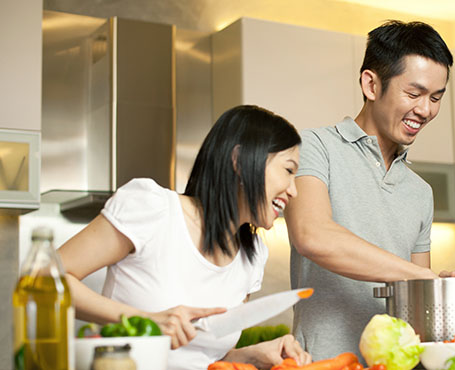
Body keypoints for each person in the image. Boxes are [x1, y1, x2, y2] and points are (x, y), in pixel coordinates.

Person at [58, 105, 312, 370]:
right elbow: (44, 278)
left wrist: (252, 354)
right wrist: (146, 320)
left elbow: (202, 357)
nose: (293, 190)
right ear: (240, 160)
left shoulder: (253, 256)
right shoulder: (152, 210)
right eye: (288, 170)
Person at [284, 20, 455, 361]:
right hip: (320, 363)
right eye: (414, 93)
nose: (426, 110)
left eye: (436, 98)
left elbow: (415, 293)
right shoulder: (314, 147)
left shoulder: (421, 192)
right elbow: (311, 234)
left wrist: (437, 284)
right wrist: (422, 274)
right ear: (371, 84)